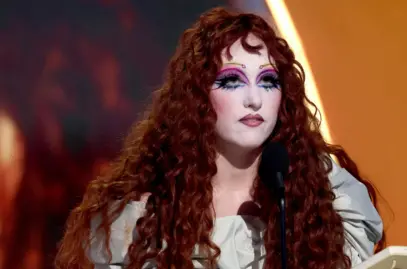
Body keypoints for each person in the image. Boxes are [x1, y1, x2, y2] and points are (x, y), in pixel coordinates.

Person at [55, 7, 385, 269]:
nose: (254, 99)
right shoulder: (142, 218)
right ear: (197, 97)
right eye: (232, 80)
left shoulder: (319, 194)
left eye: (268, 81)